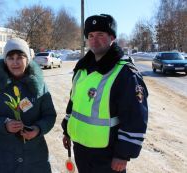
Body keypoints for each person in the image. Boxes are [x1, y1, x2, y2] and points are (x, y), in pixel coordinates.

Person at [61, 14, 148, 173]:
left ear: (112, 37)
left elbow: (135, 116)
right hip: (81, 148)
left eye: (100, 34)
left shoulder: (125, 73)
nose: (94, 39)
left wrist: (123, 154)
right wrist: (67, 130)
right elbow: (74, 103)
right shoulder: (82, 69)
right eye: (91, 35)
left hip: (107, 155)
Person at [0, 38, 56, 173]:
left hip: (34, 157)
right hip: (2, 158)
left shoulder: (39, 85)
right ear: (5, 60)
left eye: (20, 57)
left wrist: (38, 129)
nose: (15, 62)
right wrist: (4, 124)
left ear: (28, 59)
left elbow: (49, 115)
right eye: (10, 58)